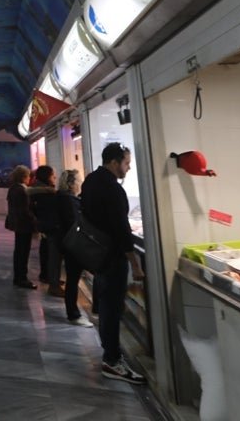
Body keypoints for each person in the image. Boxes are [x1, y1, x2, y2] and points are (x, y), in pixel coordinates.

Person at [81, 142, 146, 384]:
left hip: (97, 254)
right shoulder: (112, 189)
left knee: (106, 305)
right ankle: (112, 360)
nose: (128, 168)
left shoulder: (91, 180)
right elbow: (121, 229)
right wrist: (135, 265)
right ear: (113, 162)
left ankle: (111, 354)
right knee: (112, 308)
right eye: (126, 163)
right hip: (112, 257)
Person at [56, 169, 94, 327]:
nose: (80, 184)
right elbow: (75, 223)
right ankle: (73, 314)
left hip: (67, 244)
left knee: (73, 278)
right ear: (71, 183)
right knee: (72, 279)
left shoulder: (63, 198)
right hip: (73, 246)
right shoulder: (69, 201)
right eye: (78, 180)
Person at [30, 165, 59, 293]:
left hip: (43, 225)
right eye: (53, 176)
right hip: (47, 225)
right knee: (48, 251)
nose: (55, 178)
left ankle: (47, 275)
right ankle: (47, 276)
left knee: (45, 249)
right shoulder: (45, 192)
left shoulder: (38, 190)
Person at [6, 164, 36, 288]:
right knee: (23, 251)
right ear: (24, 177)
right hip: (23, 225)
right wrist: (35, 221)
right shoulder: (21, 190)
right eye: (28, 176)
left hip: (18, 223)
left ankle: (19, 276)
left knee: (19, 250)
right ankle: (21, 277)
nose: (29, 178)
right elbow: (25, 210)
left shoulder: (13, 188)